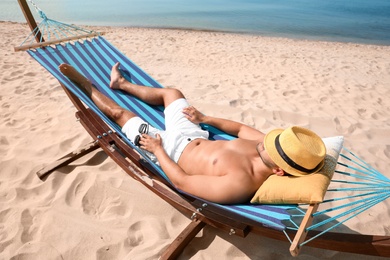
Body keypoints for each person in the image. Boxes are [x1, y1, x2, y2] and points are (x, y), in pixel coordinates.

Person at [59, 63, 326, 204]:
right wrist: (205, 119)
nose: (267, 140)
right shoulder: (264, 145)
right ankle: (122, 83)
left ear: (279, 171)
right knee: (172, 93)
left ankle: (85, 86)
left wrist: (158, 150)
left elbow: (183, 183)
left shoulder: (240, 184)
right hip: (193, 132)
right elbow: (240, 128)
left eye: (273, 145)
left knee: (121, 116)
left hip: (169, 150)